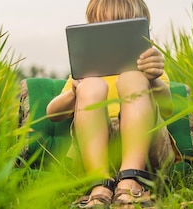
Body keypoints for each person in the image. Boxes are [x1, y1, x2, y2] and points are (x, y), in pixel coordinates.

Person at [46, 0, 181, 208]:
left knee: (132, 78)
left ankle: (131, 180)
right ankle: (99, 183)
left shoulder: (147, 67)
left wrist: (152, 79)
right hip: (96, 149)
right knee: (91, 86)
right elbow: (52, 113)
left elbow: (167, 108)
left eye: (121, 30)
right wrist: (75, 91)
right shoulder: (85, 71)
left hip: (146, 148)